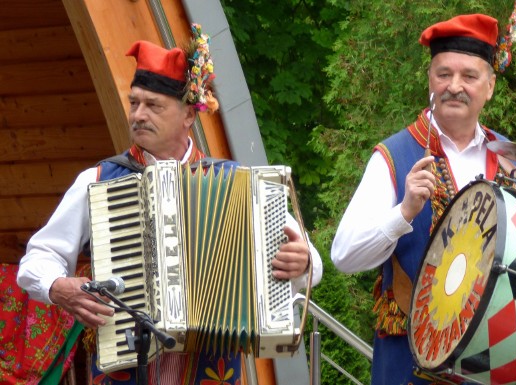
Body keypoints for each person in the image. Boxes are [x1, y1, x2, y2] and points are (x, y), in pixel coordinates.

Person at [17, 26, 322, 385]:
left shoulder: (239, 185)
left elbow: (312, 265)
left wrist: (301, 262)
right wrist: (57, 286)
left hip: (210, 370)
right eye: (134, 103)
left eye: (153, 105)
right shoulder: (99, 179)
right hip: (125, 368)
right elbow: (38, 257)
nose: (138, 114)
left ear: (189, 116)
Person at [331, 13, 516, 384]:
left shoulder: (510, 160)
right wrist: (403, 212)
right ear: (429, 82)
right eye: (444, 74)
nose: (455, 86)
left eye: (469, 76)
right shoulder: (393, 155)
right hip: (409, 367)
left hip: (489, 365)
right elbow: (343, 255)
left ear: (490, 86)